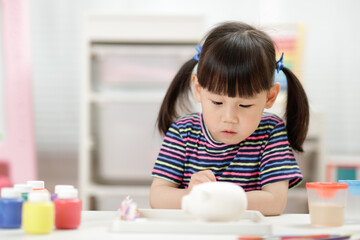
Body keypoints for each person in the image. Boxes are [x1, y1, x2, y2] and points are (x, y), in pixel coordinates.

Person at [149, 21, 309, 216]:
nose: (229, 118)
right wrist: (191, 195)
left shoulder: (270, 132)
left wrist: (216, 197)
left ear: (270, 97)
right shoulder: (183, 132)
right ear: (198, 89)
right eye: (217, 102)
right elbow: (157, 197)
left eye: (244, 105)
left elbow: (275, 202)